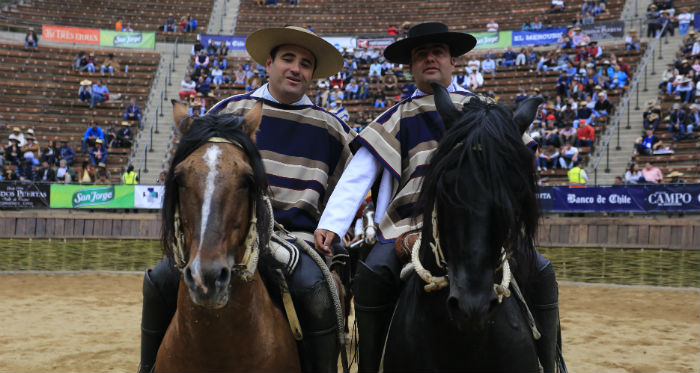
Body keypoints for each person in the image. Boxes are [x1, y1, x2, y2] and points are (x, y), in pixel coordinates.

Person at [314, 22, 560, 373]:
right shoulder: (397, 116)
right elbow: (359, 174)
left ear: (452, 62)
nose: (430, 59)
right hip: (406, 224)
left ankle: (550, 364)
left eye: (438, 52)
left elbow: (517, 166)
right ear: (411, 67)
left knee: (541, 270)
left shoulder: (486, 110)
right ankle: (370, 366)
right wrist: (333, 224)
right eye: (420, 55)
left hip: (483, 222)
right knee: (372, 274)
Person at [138, 26, 355, 373]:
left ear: (312, 74)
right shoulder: (228, 112)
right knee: (160, 280)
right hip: (232, 231)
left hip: (296, 239)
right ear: (269, 63)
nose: (296, 69)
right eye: (288, 59)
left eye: (305, 64)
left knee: (313, 288)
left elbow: (351, 187)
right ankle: (147, 366)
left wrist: (332, 226)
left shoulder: (333, 128)